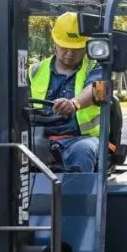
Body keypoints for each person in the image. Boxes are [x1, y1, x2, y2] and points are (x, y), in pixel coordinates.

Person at [29, 11, 104, 172]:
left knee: (83, 151)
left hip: (82, 139)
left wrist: (74, 103)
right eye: (65, 47)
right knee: (1, 151)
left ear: (85, 47)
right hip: (40, 138)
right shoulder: (34, 71)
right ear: (55, 42)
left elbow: (97, 91)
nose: (70, 53)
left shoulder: (97, 67)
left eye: (76, 49)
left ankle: (79, 189)